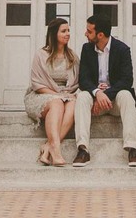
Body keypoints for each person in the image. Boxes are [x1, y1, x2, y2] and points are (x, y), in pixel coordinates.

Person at [72, 14, 136, 167]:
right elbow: (83, 79)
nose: (86, 34)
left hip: (114, 100)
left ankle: (133, 148)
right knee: (82, 97)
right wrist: (97, 93)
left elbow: (127, 80)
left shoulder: (122, 49)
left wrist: (106, 94)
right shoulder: (87, 48)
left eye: (89, 31)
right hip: (94, 101)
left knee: (127, 95)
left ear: (100, 35)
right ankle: (83, 149)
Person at [24, 17, 79, 166]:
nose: (68, 34)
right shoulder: (41, 55)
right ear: (54, 34)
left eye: (68, 31)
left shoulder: (72, 56)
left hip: (65, 94)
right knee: (57, 103)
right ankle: (55, 149)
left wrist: (65, 95)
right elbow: (37, 84)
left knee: (73, 104)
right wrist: (57, 95)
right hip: (41, 94)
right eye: (63, 31)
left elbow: (76, 82)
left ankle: (48, 146)